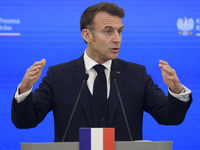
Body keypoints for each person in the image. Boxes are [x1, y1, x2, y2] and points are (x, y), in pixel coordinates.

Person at [12, 2, 192, 142]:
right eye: (108, 31)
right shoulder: (58, 75)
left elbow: (169, 117)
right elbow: (25, 122)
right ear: (87, 35)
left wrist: (176, 91)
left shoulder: (137, 74)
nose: (117, 39)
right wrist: (25, 89)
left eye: (120, 31)